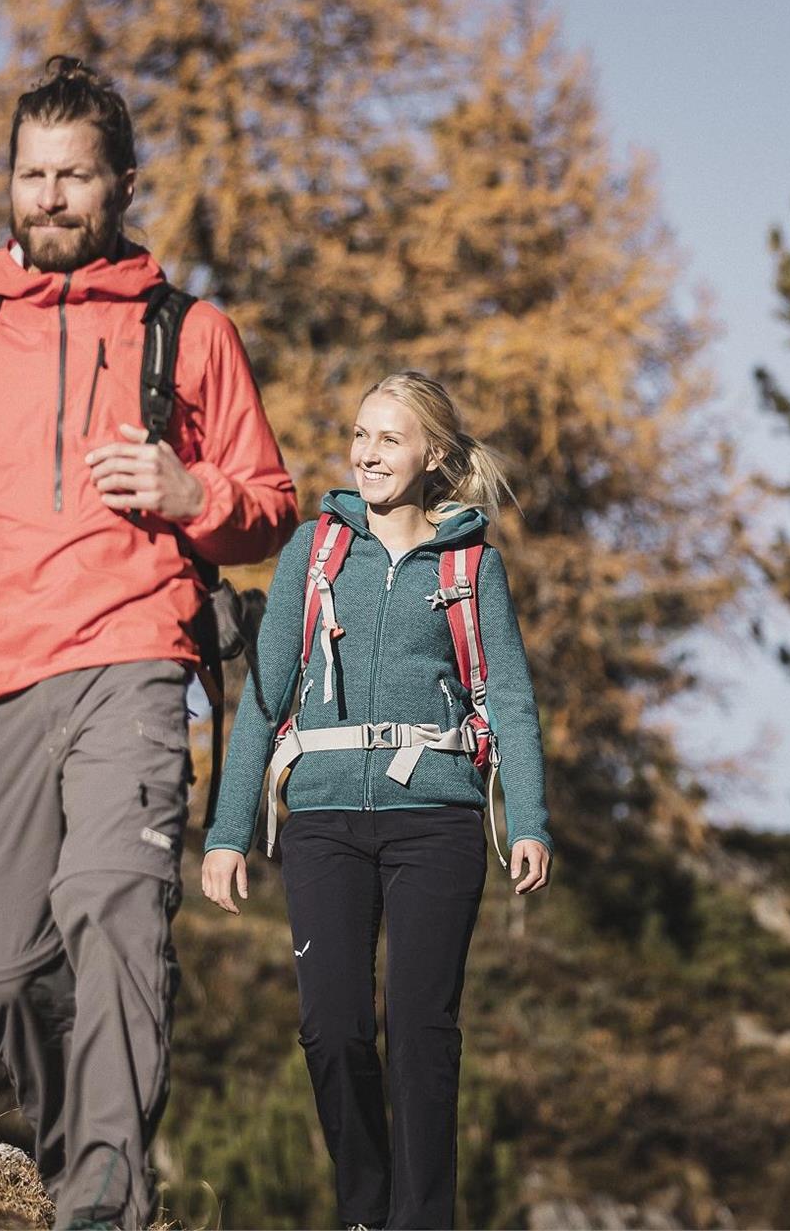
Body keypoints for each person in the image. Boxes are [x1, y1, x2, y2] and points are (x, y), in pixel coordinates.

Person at [0, 56, 297, 1230]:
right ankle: (70, 1158)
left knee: (112, 901)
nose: (48, 197)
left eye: (73, 176)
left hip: (135, 656)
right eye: (31, 175)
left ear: (121, 183)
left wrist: (194, 492)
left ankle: (103, 1198)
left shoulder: (188, 335)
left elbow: (271, 499)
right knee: (6, 967)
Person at [201, 370, 552, 1231]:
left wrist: (530, 821)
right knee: (332, 1029)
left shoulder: (472, 564)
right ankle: (365, 1209)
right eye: (361, 435)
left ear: (433, 454)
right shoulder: (313, 552)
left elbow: (508, 699)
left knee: (423, 1036)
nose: (367, 453)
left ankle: (421, 1221)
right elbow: (265, 694)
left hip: (438, 819)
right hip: (321, 819)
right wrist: (228, 829)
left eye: (389, 439)